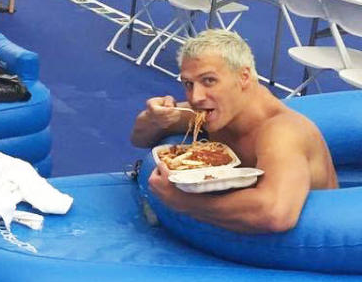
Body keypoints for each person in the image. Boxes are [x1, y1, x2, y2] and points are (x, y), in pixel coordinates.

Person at [132, 30, 337, 234]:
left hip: (314, 244)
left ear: (244, 77)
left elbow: (275, 213)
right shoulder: (215, 112)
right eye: (188, 83)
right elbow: (140, 138)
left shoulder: (282, 131)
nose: (196, 97)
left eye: (209, 81)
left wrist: (184, 202)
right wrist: (155, 117)